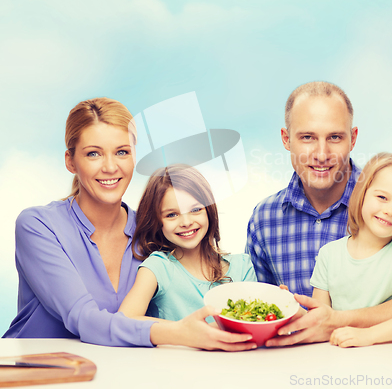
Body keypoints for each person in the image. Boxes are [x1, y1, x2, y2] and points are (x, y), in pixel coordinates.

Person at [3, 97, 256, 351]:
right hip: (34, 371)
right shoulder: (38, 226)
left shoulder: (152, 230)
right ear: (70, 161)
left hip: (116, 374)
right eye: (93, 153)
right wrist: (179, 332)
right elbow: (82, 318)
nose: (111, 167)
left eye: (122, 152)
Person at [245, 81, 392, 346]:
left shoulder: (390, 205)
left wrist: (343, 322)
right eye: (307, 137)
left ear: (353, 138)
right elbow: (257, 315)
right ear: (286, 139)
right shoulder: (264, 220)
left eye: (335, 137)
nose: (322, 154)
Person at [311, 153, 392, 347]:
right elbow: (320, 319)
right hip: (339, 355)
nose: (390, 211)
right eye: (382, 197)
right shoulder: (329, 254)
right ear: (362, 194)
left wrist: (368, 336)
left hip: (389, 357)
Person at [118, 164, 257, 321]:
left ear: (209, 210)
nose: (186, 222)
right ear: (157, 221)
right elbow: (124, 320)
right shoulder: (158, 268)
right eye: (171, 214)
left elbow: (254, 321)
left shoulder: (242, 266)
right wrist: (186, 332)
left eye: (196, 209)